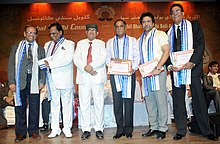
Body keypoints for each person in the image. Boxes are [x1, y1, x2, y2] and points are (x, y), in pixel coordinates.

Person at [166, 3, 218, 141]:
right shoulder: (168, 32)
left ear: (183, 13)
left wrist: (192, 62)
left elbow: (200, 44)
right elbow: (166, 53)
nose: (175, 13)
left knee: (198, 99)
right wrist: (170, 66)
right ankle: (181, 130)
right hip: (177, 71)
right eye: (172, 12)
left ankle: (206, 130)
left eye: (178, 11)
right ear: (170, 16)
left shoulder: (194, 26)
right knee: (178, 101)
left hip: (193, 68)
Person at [8, 25, 46, 142]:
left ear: (36, 36)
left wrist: (41, 81)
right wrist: (12, 82)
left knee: (34, 107)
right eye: (29, 32)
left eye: (34, 33)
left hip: (34, 81)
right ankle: (20, 133)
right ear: (25, 34)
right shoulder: (16, 48)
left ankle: (34, 131)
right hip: (20, 81)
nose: (31, 35)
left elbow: (43, 67)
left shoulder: (40, 49)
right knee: (20, 107)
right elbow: (11, 66)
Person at [106, 19, 140, 139]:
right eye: (117, 27)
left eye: (121, 26)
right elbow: (107, 59)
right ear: (114, 29)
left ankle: (128, 129)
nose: (119, 28)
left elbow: (137, 57)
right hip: (115, 76)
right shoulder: (110, 42)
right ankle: (119, 129)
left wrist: (132, 68)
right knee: (118, 103)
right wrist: (113, 62)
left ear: (125, 27)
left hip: (129, 74)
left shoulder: (133, 41)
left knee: (129, 103)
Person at [138, 12, 170, 139]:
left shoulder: (160, 34)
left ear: (153, 23)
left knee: (160, 100)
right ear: (141, 24)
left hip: (159, 72)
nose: (146, 24)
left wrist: (158, 67)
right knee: (150, 101)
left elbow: (166, 51)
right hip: (146, 74)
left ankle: (162, 128)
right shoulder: (140, 39)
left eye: (148, 21)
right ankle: (154, 126)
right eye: (144, 22)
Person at [74, 24, 107, 140]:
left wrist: (91, 66)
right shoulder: (80, 43)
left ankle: (99, 128)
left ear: (97, 33)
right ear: (86, 32)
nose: (91, 32)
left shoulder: (101, 44)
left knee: (99, 103)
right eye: (89, 30)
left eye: (94, 30)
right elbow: (76, 58)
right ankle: (86, 129)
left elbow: (103, 58)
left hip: (97, 77)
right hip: (84, 78)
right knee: (84, 104)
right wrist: (85, 67)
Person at [44, 22, 75, 138]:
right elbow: (46, 60)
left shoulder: (69, 44)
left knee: (66, 105)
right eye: (51, 34)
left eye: (54, 33)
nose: (52, 36)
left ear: (60, 32)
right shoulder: (47, 44)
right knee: (54, 104)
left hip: (64, 79)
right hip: (51, 79)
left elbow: (67, 59)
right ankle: (55, 129)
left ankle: (67, 128)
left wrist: (50, 64)